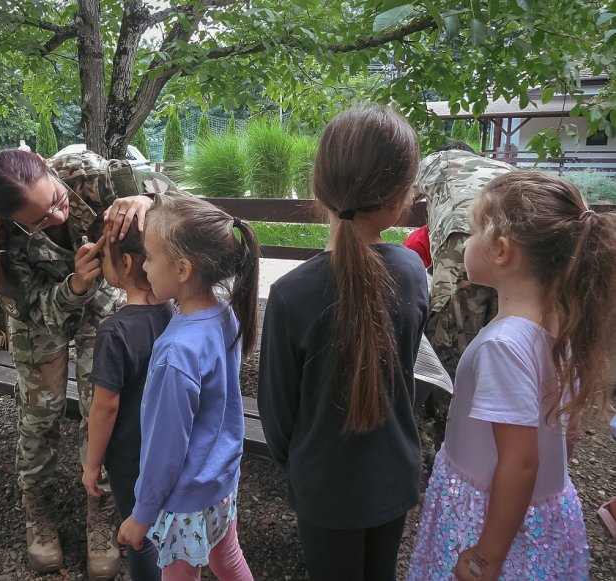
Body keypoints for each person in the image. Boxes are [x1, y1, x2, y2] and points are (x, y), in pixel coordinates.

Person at [0, 148, 176, 577]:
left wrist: (149, 202)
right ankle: (39, 514)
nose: (57, 217)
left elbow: (188, 206)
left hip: (102, 306)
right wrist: (74, 285)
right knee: (40, 411)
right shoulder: (4, 233)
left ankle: (99, 516)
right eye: (40, 220)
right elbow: (26, 306)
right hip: (46, 312)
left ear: (49, 168)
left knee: (99, 407)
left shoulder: (94, 177)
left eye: (56, 201)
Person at [408, 172, 616, 580]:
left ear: (501, 250)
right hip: (539, 515)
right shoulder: (561, 328)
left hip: (489, 520)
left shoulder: (504, 346)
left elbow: (520, 465)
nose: (465, 243)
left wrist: (487, 556)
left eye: (470, 232)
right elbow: (564, 430)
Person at [257, 106, 429, 581]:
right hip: (393, 474)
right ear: (399, 196)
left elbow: (277, 416)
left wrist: (302, 464)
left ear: (320, 187)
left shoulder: (292, 294)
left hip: (323, 485)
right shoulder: (413, 274)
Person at [117, 194, 257, 581]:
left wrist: (142, 514)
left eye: (148, 257)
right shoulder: (224, 312)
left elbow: (166, 447)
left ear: (181, 269)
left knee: (179, 574)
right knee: (226, 557)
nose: (143, 267)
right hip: (221, 480)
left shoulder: (177, 352)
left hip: (184, 499)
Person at [82, 220, 171, 581]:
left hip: (131, 455)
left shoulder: (114, 331)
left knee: (139, 535)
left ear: (127, 265)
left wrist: (92, 463)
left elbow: (105, 407)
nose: (100, 262)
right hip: (166, 445)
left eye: (104, 255)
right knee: (163, 525)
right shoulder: (170, 313)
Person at [412, 141, 513, 444]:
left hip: (465, 240)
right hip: (521, 247)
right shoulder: (500, 169)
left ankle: (446, 439)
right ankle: (500, 432)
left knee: (449, 345)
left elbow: (394, 197)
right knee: (503, 335)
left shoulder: (436, 160)